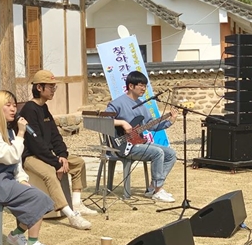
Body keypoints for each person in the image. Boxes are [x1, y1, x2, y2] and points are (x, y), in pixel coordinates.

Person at [0, 90, 56, 245]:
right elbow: (9, 155)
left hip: (6, 179)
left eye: (14, 105)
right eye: (8, 105)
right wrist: (21, 133)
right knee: (37, 198)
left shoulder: (7, 130)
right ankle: (32, 244)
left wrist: (22, 178)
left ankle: (16, 234)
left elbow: (16, 161)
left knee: (38, 195)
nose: (13, 109)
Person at [19, 70, 97, 230]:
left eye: (55, 87)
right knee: (50, 174)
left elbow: (55, 136)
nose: (54, 90)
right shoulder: (29, 109)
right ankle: (71, 215)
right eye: (51, 86)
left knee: (78, 163)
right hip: (31, 156)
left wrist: (62, 156)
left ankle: (76, 204)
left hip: (48, 155)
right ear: (39, 87)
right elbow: (35, 143)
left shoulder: (44, 108)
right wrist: (56, 163)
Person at [105, 71, 178, 203]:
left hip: (138, 143)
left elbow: (152, 126)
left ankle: (152, 188)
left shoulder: (143, 105)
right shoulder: (117, 103)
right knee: (158, 153)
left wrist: (170, 121)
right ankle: (158, 190)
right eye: (141, 85)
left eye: (145, 86)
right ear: (131, 86)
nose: (144, 89)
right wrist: (122, 122)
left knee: (171, 154)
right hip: (122, 146)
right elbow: (104, 121)